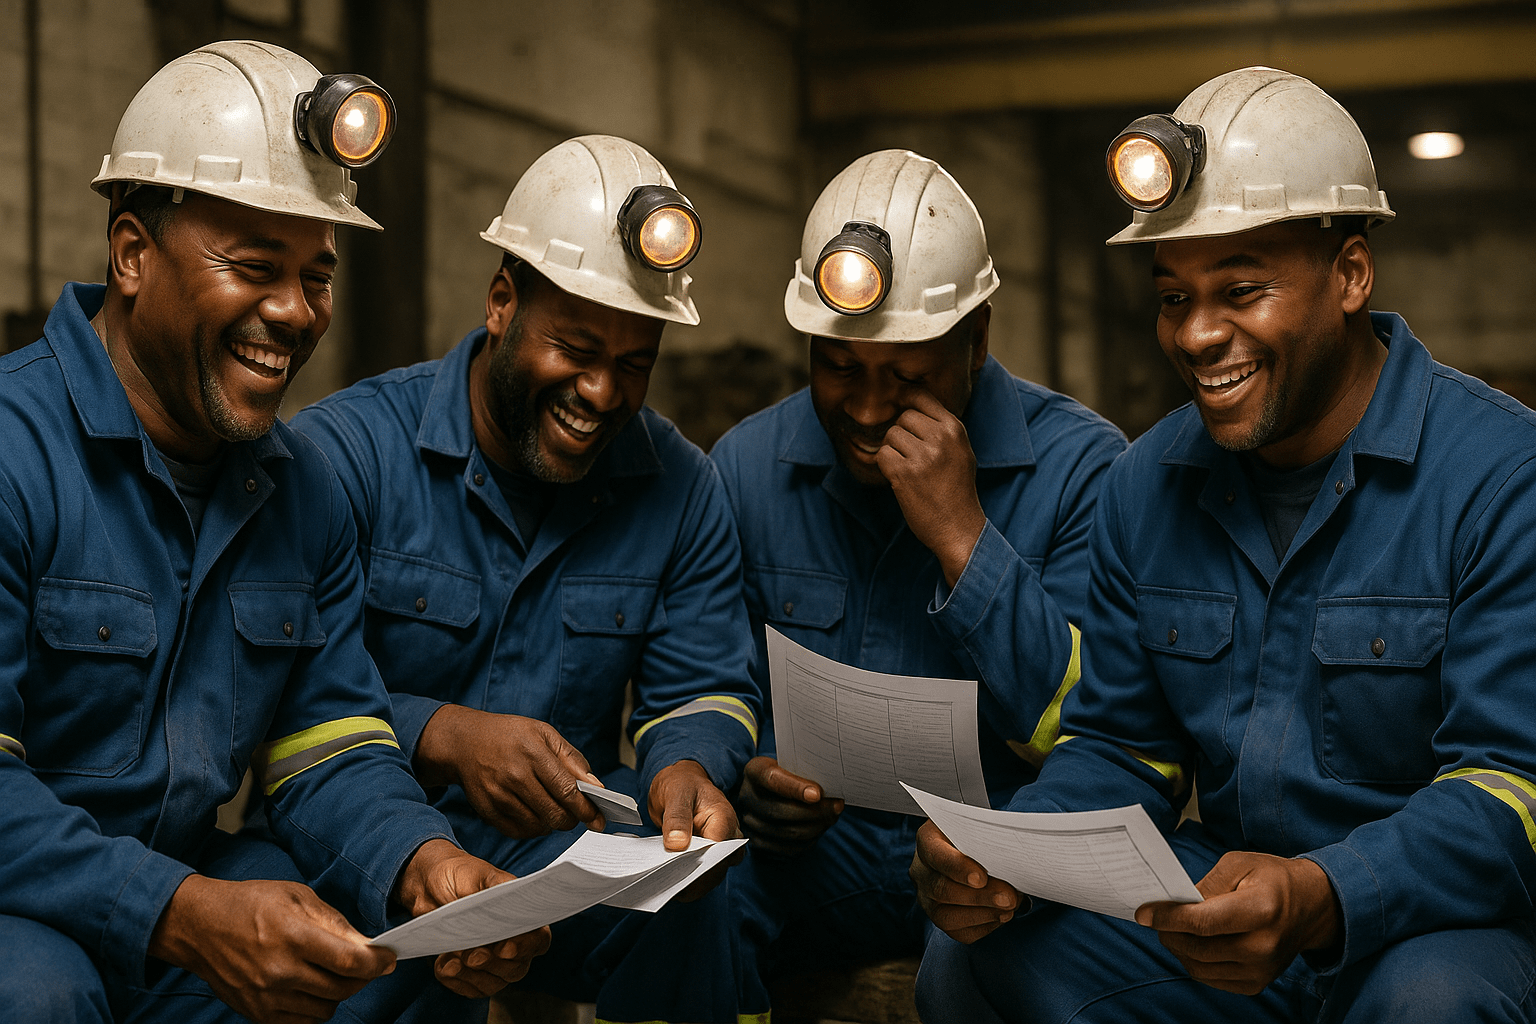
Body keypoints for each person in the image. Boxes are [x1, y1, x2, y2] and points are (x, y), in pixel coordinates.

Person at [913, 66, 1536, 1023]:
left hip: (1436, 925)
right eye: (1173, 297)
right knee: (971, 959)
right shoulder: (1145, 486)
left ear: (1351, 275)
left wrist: (1325, 893)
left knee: (1431, 1004)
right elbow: (1126, 750)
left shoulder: (1501, 476)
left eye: (1241, 290)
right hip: (1235, 903)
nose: (1198, 335)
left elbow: (1512, 787)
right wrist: (1008, 854)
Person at [0, 40, 546, 1024]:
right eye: (255, 267)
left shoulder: (301, 492)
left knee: (394, 952)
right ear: (132, 255)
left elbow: (329, 744)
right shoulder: (12, 453)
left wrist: (424, 861)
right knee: (37, 991)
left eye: (316, 277)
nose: (295, 313)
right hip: (26, 911)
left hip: (177, 901)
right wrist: (181, 912)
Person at [291, 134, 764, 1024]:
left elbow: (703, 685)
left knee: (699, 895)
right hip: (364, 834)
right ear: (502, 303)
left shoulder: (680, 487)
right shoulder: (346, 456)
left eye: (634, 364)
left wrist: (688, 768)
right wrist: (445, 735)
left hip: (560, 851)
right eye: (576, 349)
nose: (602, 393)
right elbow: (288, 698)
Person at [708, 149, 1126, 1005]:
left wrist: (964, 537)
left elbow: (1097, 729)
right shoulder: (747, 468)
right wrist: (753, 774)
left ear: (977, 341)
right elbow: (711, 683)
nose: (866, 411)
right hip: (815, 854)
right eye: (838, 367)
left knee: (989, 964)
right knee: (692, 907)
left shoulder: (1084, 471)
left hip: (995, 854)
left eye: (905, 377)